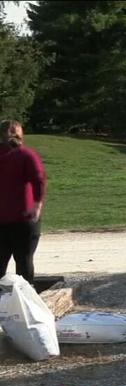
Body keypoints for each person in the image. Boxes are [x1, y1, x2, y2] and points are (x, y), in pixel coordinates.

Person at [0, 120, 46, 284]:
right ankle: (24, 296)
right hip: (24, 217)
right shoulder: (27, 155)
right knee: (24, 262)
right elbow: (38, 180)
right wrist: (37, 205)